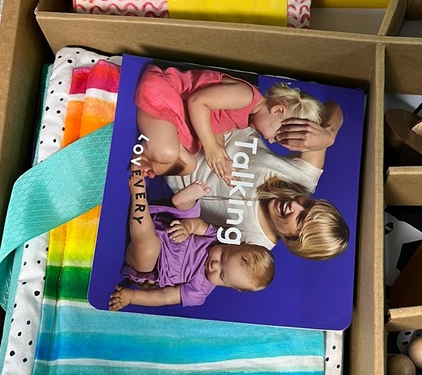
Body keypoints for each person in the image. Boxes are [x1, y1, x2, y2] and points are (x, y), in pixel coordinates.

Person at [165, 113, 350, 261]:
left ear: (293, 241)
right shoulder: (303, 180)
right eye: (308, 204)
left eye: (301, 218)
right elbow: (333, 110)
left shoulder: (255, 246)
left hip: (174, 165)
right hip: (212, 119)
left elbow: (199, 233)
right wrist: (328, 135)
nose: (295, 204)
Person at [109, 167, 275, 311]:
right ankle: (183, 201)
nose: (215, 265)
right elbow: (199, 225)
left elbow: (165, 296)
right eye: (223, 256)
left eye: (222, 274)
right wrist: (187, 228)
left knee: (148, 249)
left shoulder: (199, 291)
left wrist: (132, 297)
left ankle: (139, 198)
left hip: (152, 261)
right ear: (234, 245)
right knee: (190, 214)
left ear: (230, 286)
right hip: (165, 224)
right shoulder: (216, 239)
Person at [134, 63, 325, 185]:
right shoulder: (247, 95)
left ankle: (146, 164)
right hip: (166, 93)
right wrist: (211, 147)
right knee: (167, 152)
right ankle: (147, 153)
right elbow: (197, 102)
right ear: (277, 110)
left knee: (189, 166)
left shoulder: (245, 120)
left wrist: (221, 157)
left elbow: (215, 124)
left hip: (179, 116)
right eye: (276, 135)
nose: (270, 140)